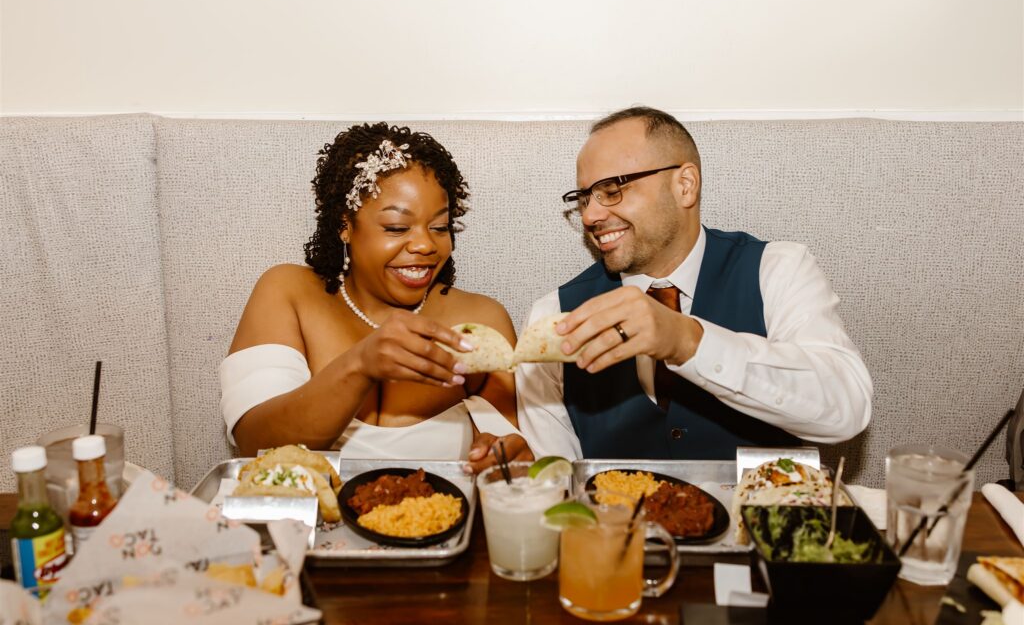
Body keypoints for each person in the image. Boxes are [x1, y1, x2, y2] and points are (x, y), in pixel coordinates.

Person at [517, 106, 872, 460]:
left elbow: (847, 410)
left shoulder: (777, 269)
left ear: (685, 185)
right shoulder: (555, 316)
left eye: (612, 190)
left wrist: (686, 340)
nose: (591, 215)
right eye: (583, 198)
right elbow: (556, 482)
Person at [221, 122, 531, 473]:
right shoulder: (287, 293)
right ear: (345, 224)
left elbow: (504, 463)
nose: (426, 245)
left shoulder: (481, 322)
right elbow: (256, 444)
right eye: (397, 228)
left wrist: (502, 457)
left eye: (440, 228)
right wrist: (358, 366)